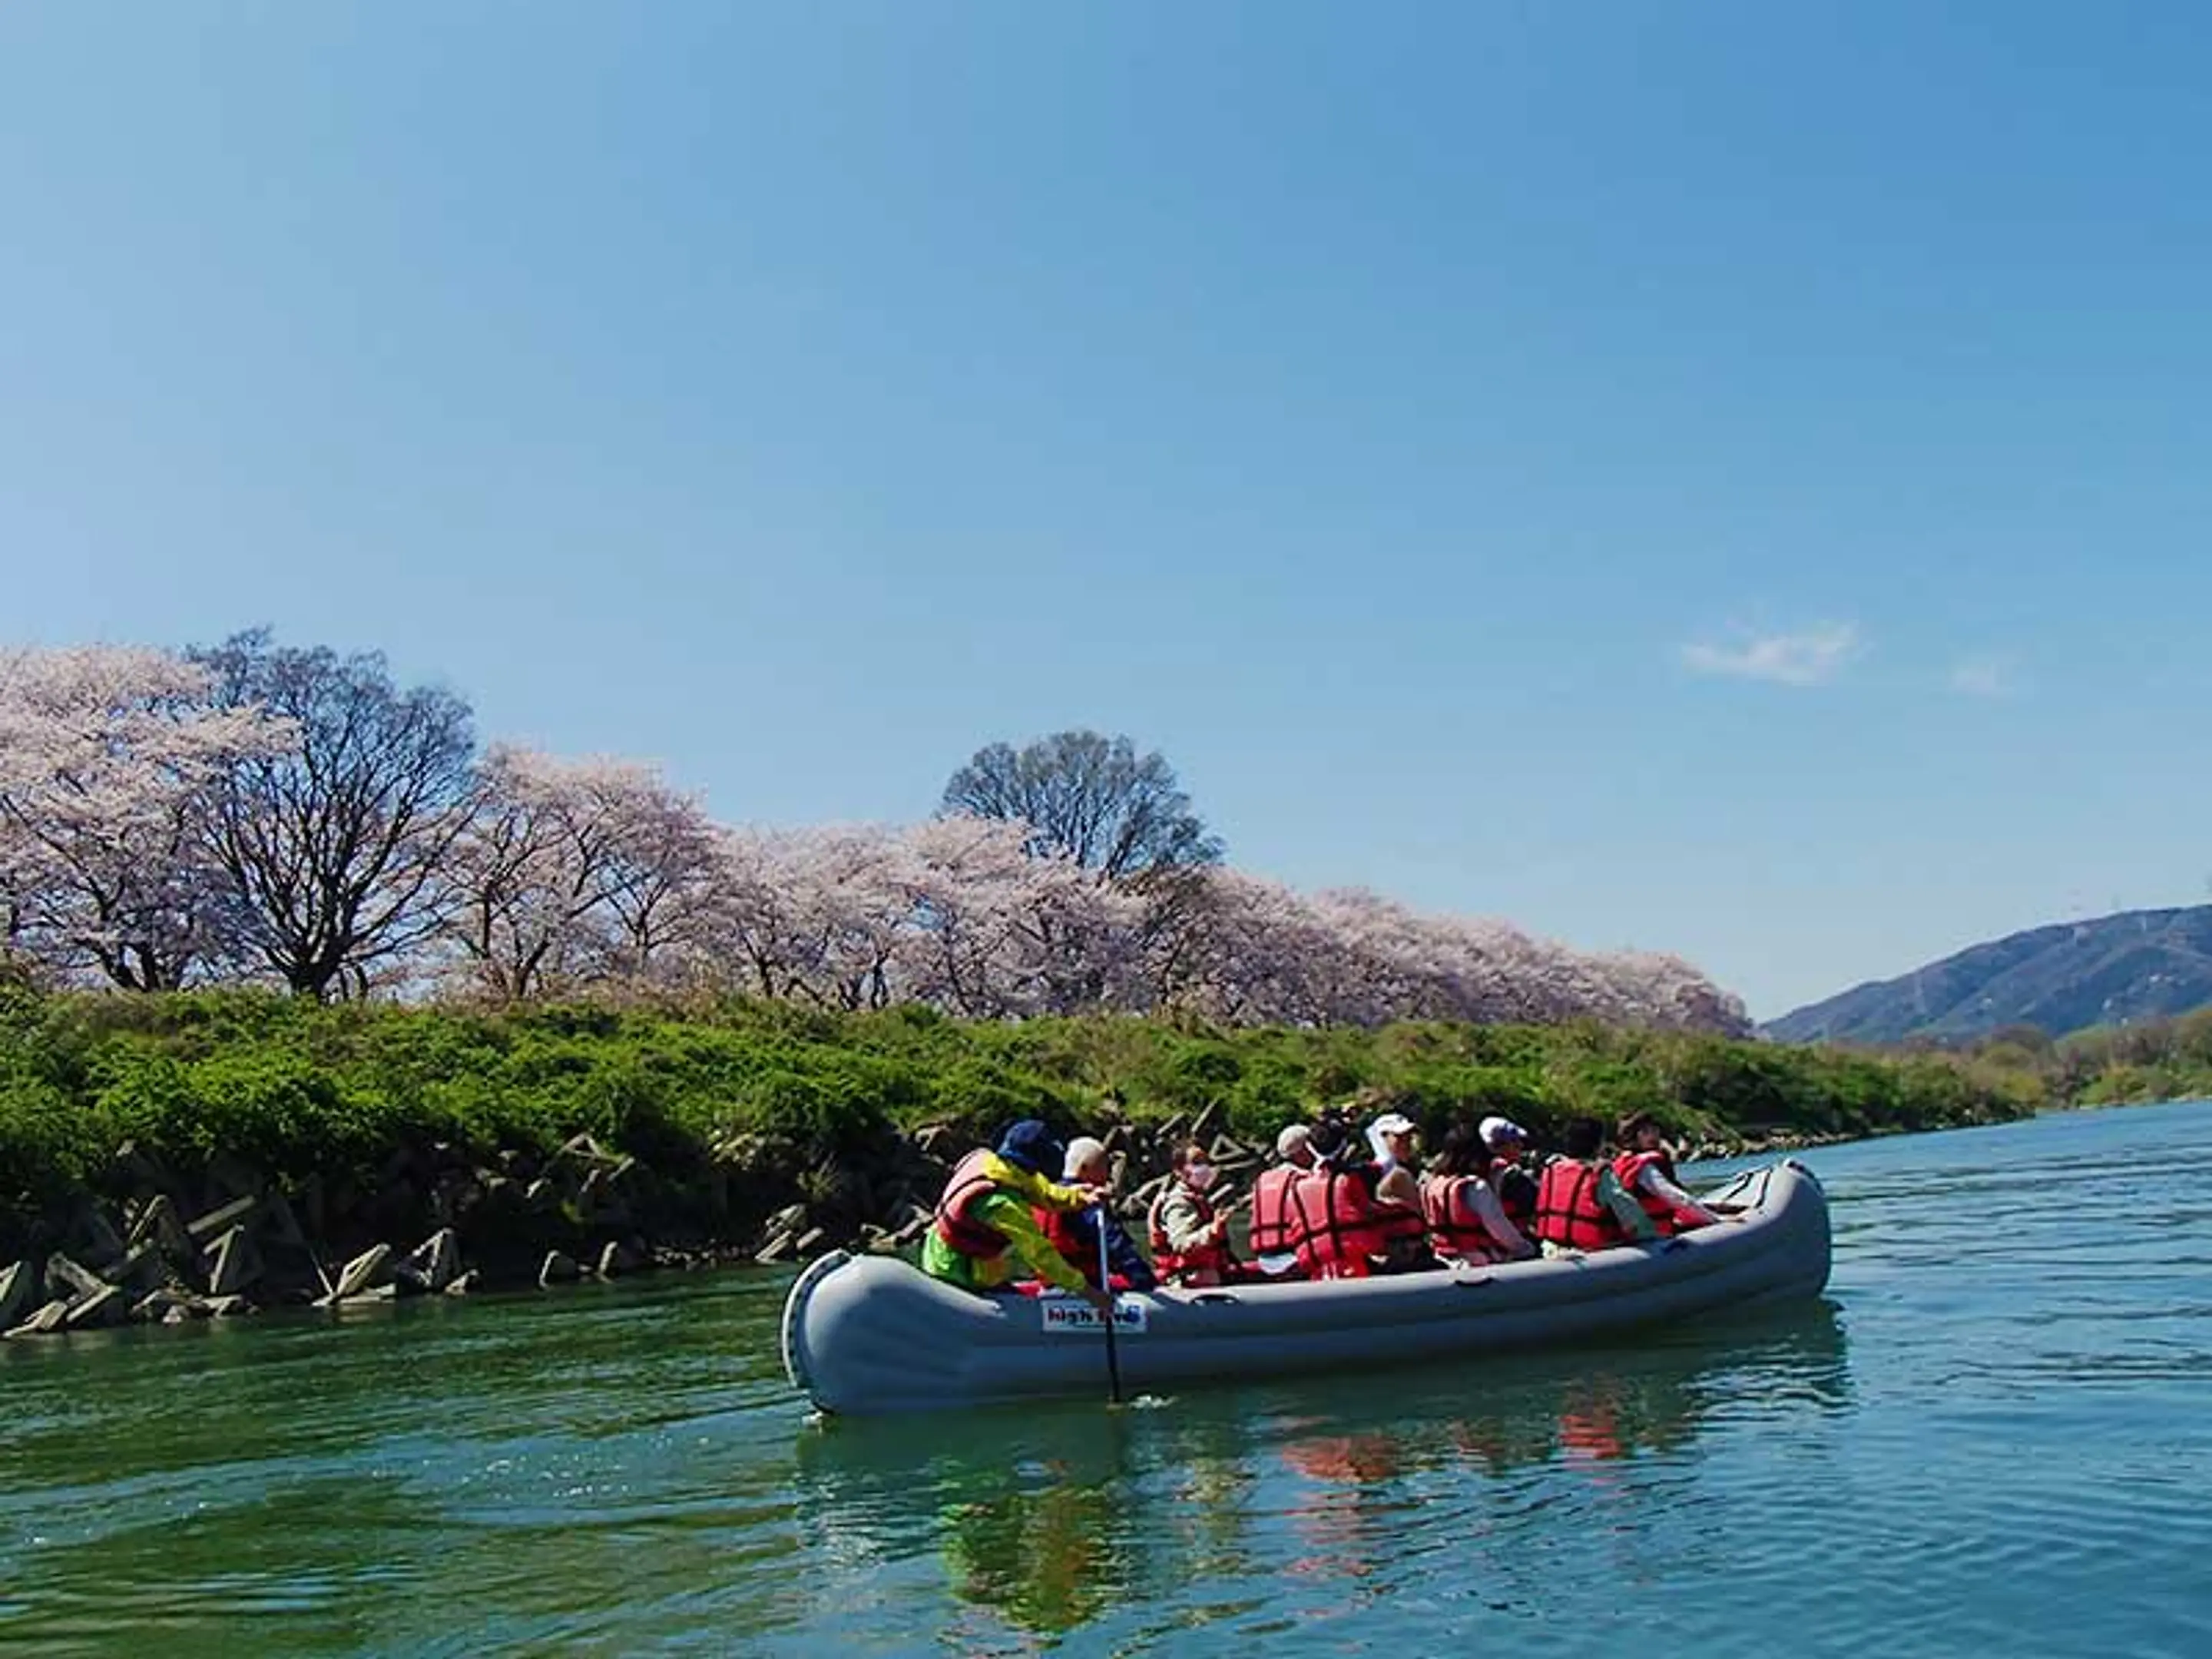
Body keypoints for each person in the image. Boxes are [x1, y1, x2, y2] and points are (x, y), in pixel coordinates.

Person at [926, 1120, 1114, 1311]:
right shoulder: (1004, 1205)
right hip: (955, 1268)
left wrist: (1081, 1196)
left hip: (953, 1254)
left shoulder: (997, 1165)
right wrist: (1088, 1292)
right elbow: (1040, 1254)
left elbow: (1045, 1192)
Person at [1284, 1110, 1430, 1279]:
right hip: (1355, 1267)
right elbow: (1386, 1163)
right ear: (1345, 1145)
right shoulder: (1356, 1177)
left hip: (1318, 1269)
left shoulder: (1299, 1186)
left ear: (1310, 1147)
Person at [1038, 1137, 1157, 1292]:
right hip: (1083, 1292)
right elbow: (1116, 1246)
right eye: (1103, 1167)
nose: (1107, 1175)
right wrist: (1147, 1283)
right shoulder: (1086, 1203)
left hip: (1048, 1290)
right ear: (1084, 1168)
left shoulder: (1047, 1197)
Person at [1532, 1115, 1656, 1256]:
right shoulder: (1599, 1174)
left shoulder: (1551, 1170)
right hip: (1591, 1255)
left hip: (1549, 1249)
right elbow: (1631, 1216)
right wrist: (1653, 1237)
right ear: (1598, 1145)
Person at [1420, 1121, 1536, 1263]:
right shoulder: (1476, 1188)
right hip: (1478, 1261)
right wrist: (1527, 1249)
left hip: (1442, 1258)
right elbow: (1500, 1230)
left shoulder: (1429, 1184)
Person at [1611, 1113, 1727, 1234]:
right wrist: (1716, 1219)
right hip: (1654, 1233)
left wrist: (1709, 1207)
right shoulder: (1645, 1168)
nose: (1655, 1135)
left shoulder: (1623, 1163)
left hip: (1641, 1230)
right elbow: (1677, 1198)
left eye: (1655, 1130)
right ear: (1637, 1137)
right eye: (1648, 1132)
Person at [1148, 1141, 1240, 1286]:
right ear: (1179, 1170)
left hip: (1208, 1276)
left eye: (1205, 1161)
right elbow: (1180, 1243)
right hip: (1189, 1282)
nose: (1204, 1167)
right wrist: (1211, 1232)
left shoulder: (1198, 1199)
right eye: (1197, 1162)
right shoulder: (1177, 1203)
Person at [1247, 1122, 1316, 1279]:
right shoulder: (1306, 1180)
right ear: (1304, 1151)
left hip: (1266, 1259)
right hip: (1295, 1256)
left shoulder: (1262, 1179)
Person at [1479, 1115, 1540, 1236]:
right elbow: (1535, 1210)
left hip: (1491, 1238)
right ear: (1496, 1147)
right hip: (1518, 1238)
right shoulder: (1513, 1177)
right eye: (1515, 1142)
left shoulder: (1481, 1171)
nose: (1521, 1146)